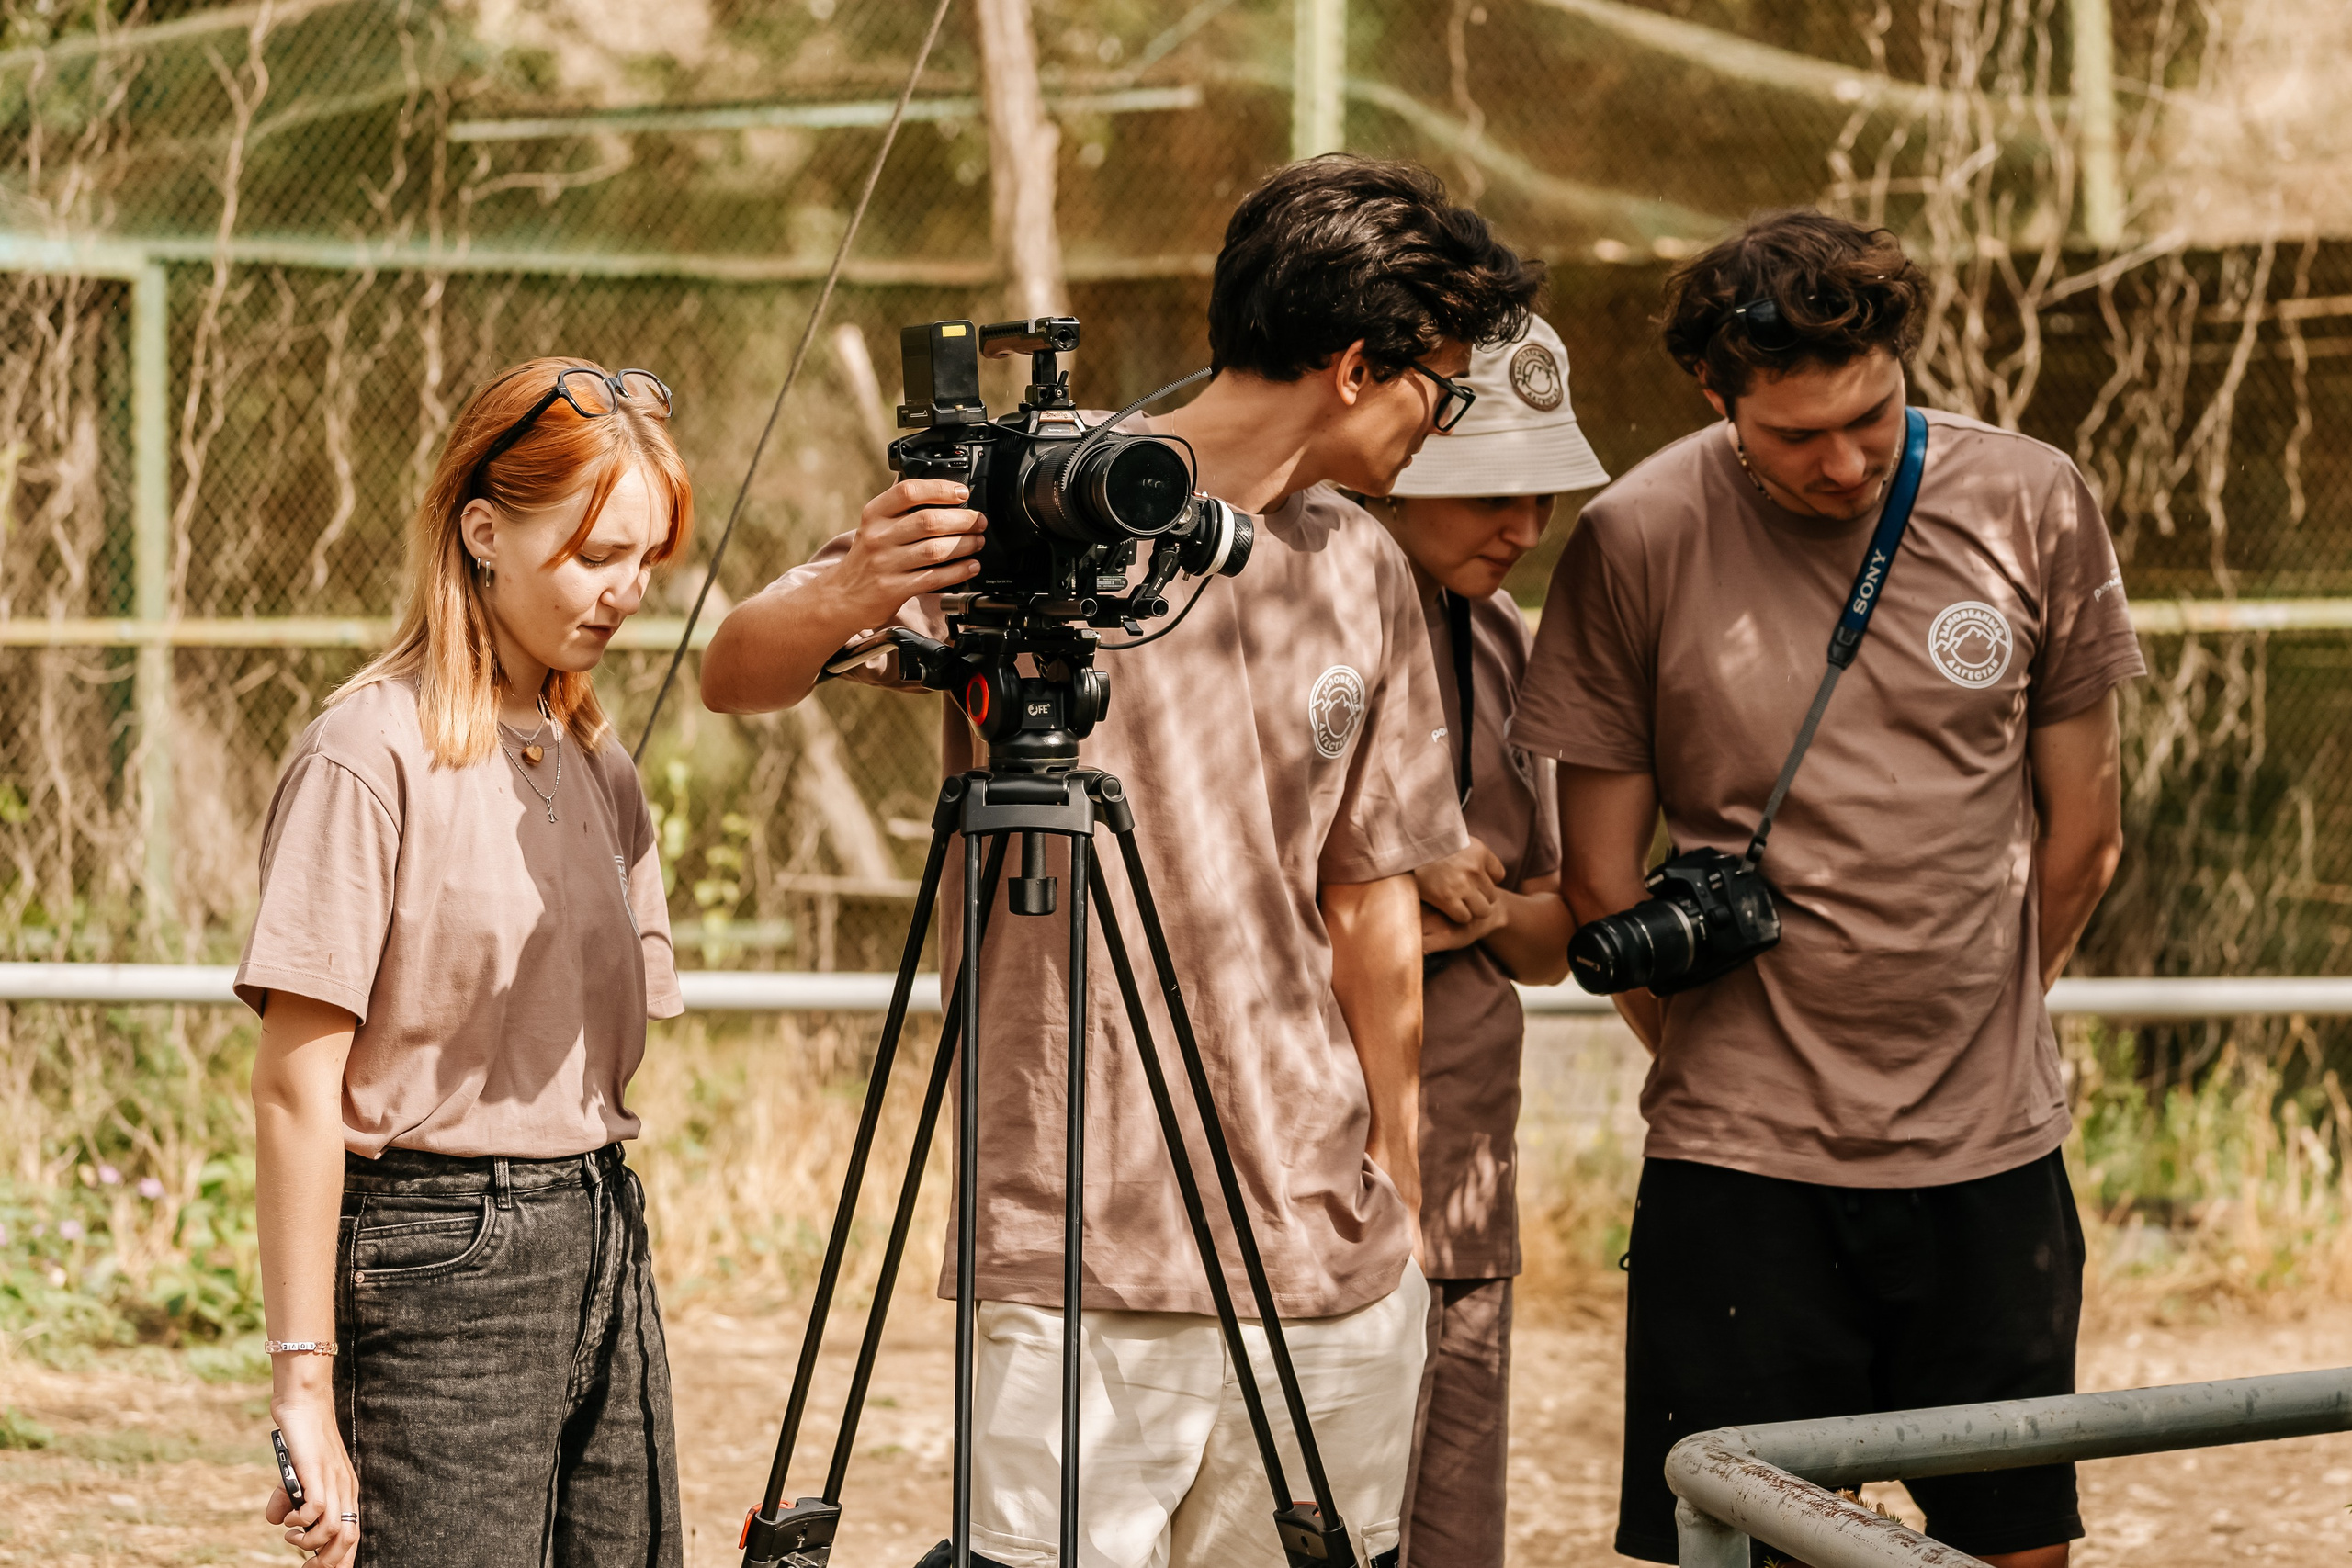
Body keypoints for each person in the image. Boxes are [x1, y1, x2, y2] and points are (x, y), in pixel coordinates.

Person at [700, 155, 1541, 1568]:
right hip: (1076, 1242)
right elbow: (737, 671)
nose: (1440, 428)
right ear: (1353, 366)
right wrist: (860, 580)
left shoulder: (1359, 564)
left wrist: (1393, 1175)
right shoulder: (1041, 502)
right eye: (1438, 391)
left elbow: (1369, 891)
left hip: (1324, 1257)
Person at [1510, 210, 2143, 1567]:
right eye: (1797, 437)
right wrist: (1725, 1065)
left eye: (1871, 415)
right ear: (1713, 394)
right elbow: (1603, 885)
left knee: (2016, 1539)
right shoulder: (1636, 535)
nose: (1845, 462)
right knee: (1745, 1540)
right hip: (1738, 1173)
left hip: (1992, 1157)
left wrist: (1984, 1014)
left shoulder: (2032, 498)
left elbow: (2086, 831)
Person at [240, 358, 693, 1568]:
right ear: (483, 530)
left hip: (603, 1225)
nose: (627, 593)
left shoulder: (603, 768)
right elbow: (295, 1090)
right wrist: (302, 1387)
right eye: (596, 555)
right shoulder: (366, 753)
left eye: (646, 561)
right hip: (439, 1252)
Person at [1356, 314, 1605, 1568]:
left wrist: (1485, 911)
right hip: (1302, 1168)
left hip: (1460, 1168)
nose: (1524, 525)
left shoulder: (1511, 640)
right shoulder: (1290, 608)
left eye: (1542, 494)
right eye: (1489, 493)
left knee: (1450, 1526)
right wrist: (1398, 865)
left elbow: (1556, 929)